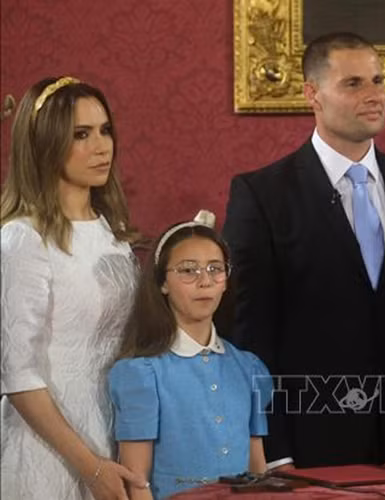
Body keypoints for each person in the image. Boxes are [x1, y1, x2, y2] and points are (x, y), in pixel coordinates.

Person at [221, 32, 385, 468]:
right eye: (354, 84)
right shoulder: (262, 194)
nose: (374, 96)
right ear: (312, 94)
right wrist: (273, 451)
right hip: (313, 441)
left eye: (378, 80)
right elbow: (252, 334)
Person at [1, 76, 146, 499]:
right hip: (48, 445)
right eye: (81, 134)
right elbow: (18, 375)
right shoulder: (22, 240)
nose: (102, 146)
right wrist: (90, 467)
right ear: (44, 143)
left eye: (105, 131)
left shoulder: (110, 234)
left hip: (110, 429)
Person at [110, 211, 273, 500]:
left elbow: (257, 469)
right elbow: (136, 482)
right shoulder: (141, 373)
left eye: (215, 269)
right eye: (188, 270)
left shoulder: (248, 368)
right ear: (162, 282)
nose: (205, 281)